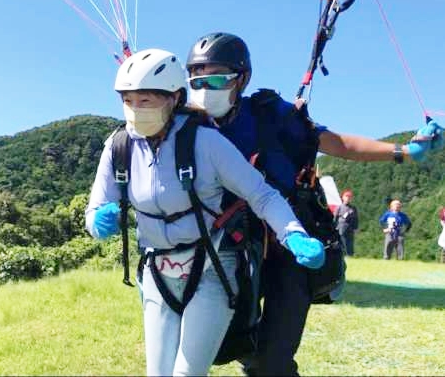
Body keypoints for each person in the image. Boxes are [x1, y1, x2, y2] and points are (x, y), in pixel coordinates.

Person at [184, 31, 444, 376]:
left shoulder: (270, 115)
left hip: (285, 247)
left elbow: (339, 145)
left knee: (271, 362)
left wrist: (403, 152)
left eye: (216, 78)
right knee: (225, 346)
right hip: (226, 251)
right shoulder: (184, 124)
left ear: (242, 79)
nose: (205, 88)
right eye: (196, 79)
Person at [85, 48, 326, 376]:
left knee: (186, 373)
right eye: (128, 101)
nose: (136, 110)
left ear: (174, 99)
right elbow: (96, 206)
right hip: (158, 271)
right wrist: (99, 221)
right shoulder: (119, 148)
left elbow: (262, 195)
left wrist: (293, 233)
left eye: (147, 101)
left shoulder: (206, 143)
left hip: (211, 268)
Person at [333, 190, 359, 256]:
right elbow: (334, 218)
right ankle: (343, 255)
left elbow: (356, 219)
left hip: (350, 228)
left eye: (349, 197)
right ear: (343, 197)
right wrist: (334, 227)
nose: (348, 198)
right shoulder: (339, 207)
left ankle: (350, 255)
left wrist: (356, 228)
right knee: (342, 241)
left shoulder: (353, 208)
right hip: (341, 227)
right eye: (346, 196)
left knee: (350, 242)